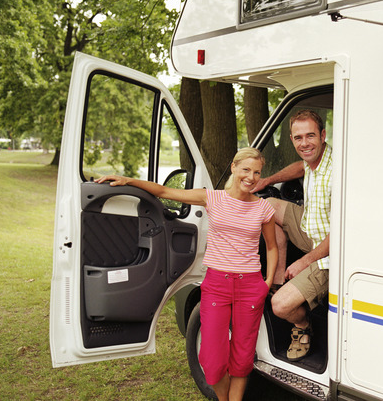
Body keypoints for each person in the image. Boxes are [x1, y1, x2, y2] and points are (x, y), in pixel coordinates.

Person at [96, 147, 277, 401]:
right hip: (217, 284)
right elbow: (164, 192)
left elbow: (271, 246)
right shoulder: (212, 198)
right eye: (246, 169)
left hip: (250, 286)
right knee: (212, 362)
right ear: (234, 167)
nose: (251, 177)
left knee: (243, 356)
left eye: (257, 172)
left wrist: (266, 283)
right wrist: (128, 181)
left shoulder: (263, 208)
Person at [251, 109, 332, 362]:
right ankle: (276, 282)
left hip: (332, 252)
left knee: (281, 307)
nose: (304, 143)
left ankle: (303, 326)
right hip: (310, 231)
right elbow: (300, 167)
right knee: (267, 206)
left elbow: (343, 234)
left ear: (323, 135)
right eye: (298, 138)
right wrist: (267, 181)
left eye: (310, 136)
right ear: (291, 139)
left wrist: (304, 262)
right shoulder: (312, 161)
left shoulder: (338, 170)